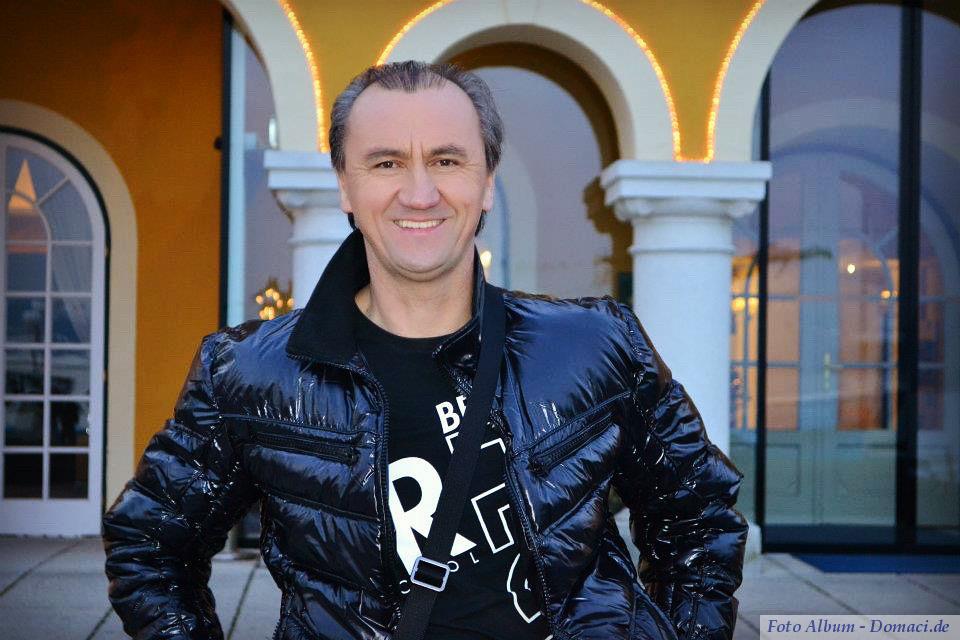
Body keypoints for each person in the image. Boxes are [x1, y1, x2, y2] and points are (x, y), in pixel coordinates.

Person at [103, 60, 748, 640]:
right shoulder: (249, 373)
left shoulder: (595, 344)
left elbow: (699, 513)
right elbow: (149, 545)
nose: (419, 193)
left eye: (446, 160)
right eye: (386, 163)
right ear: (345, 186)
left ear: (486, 182)